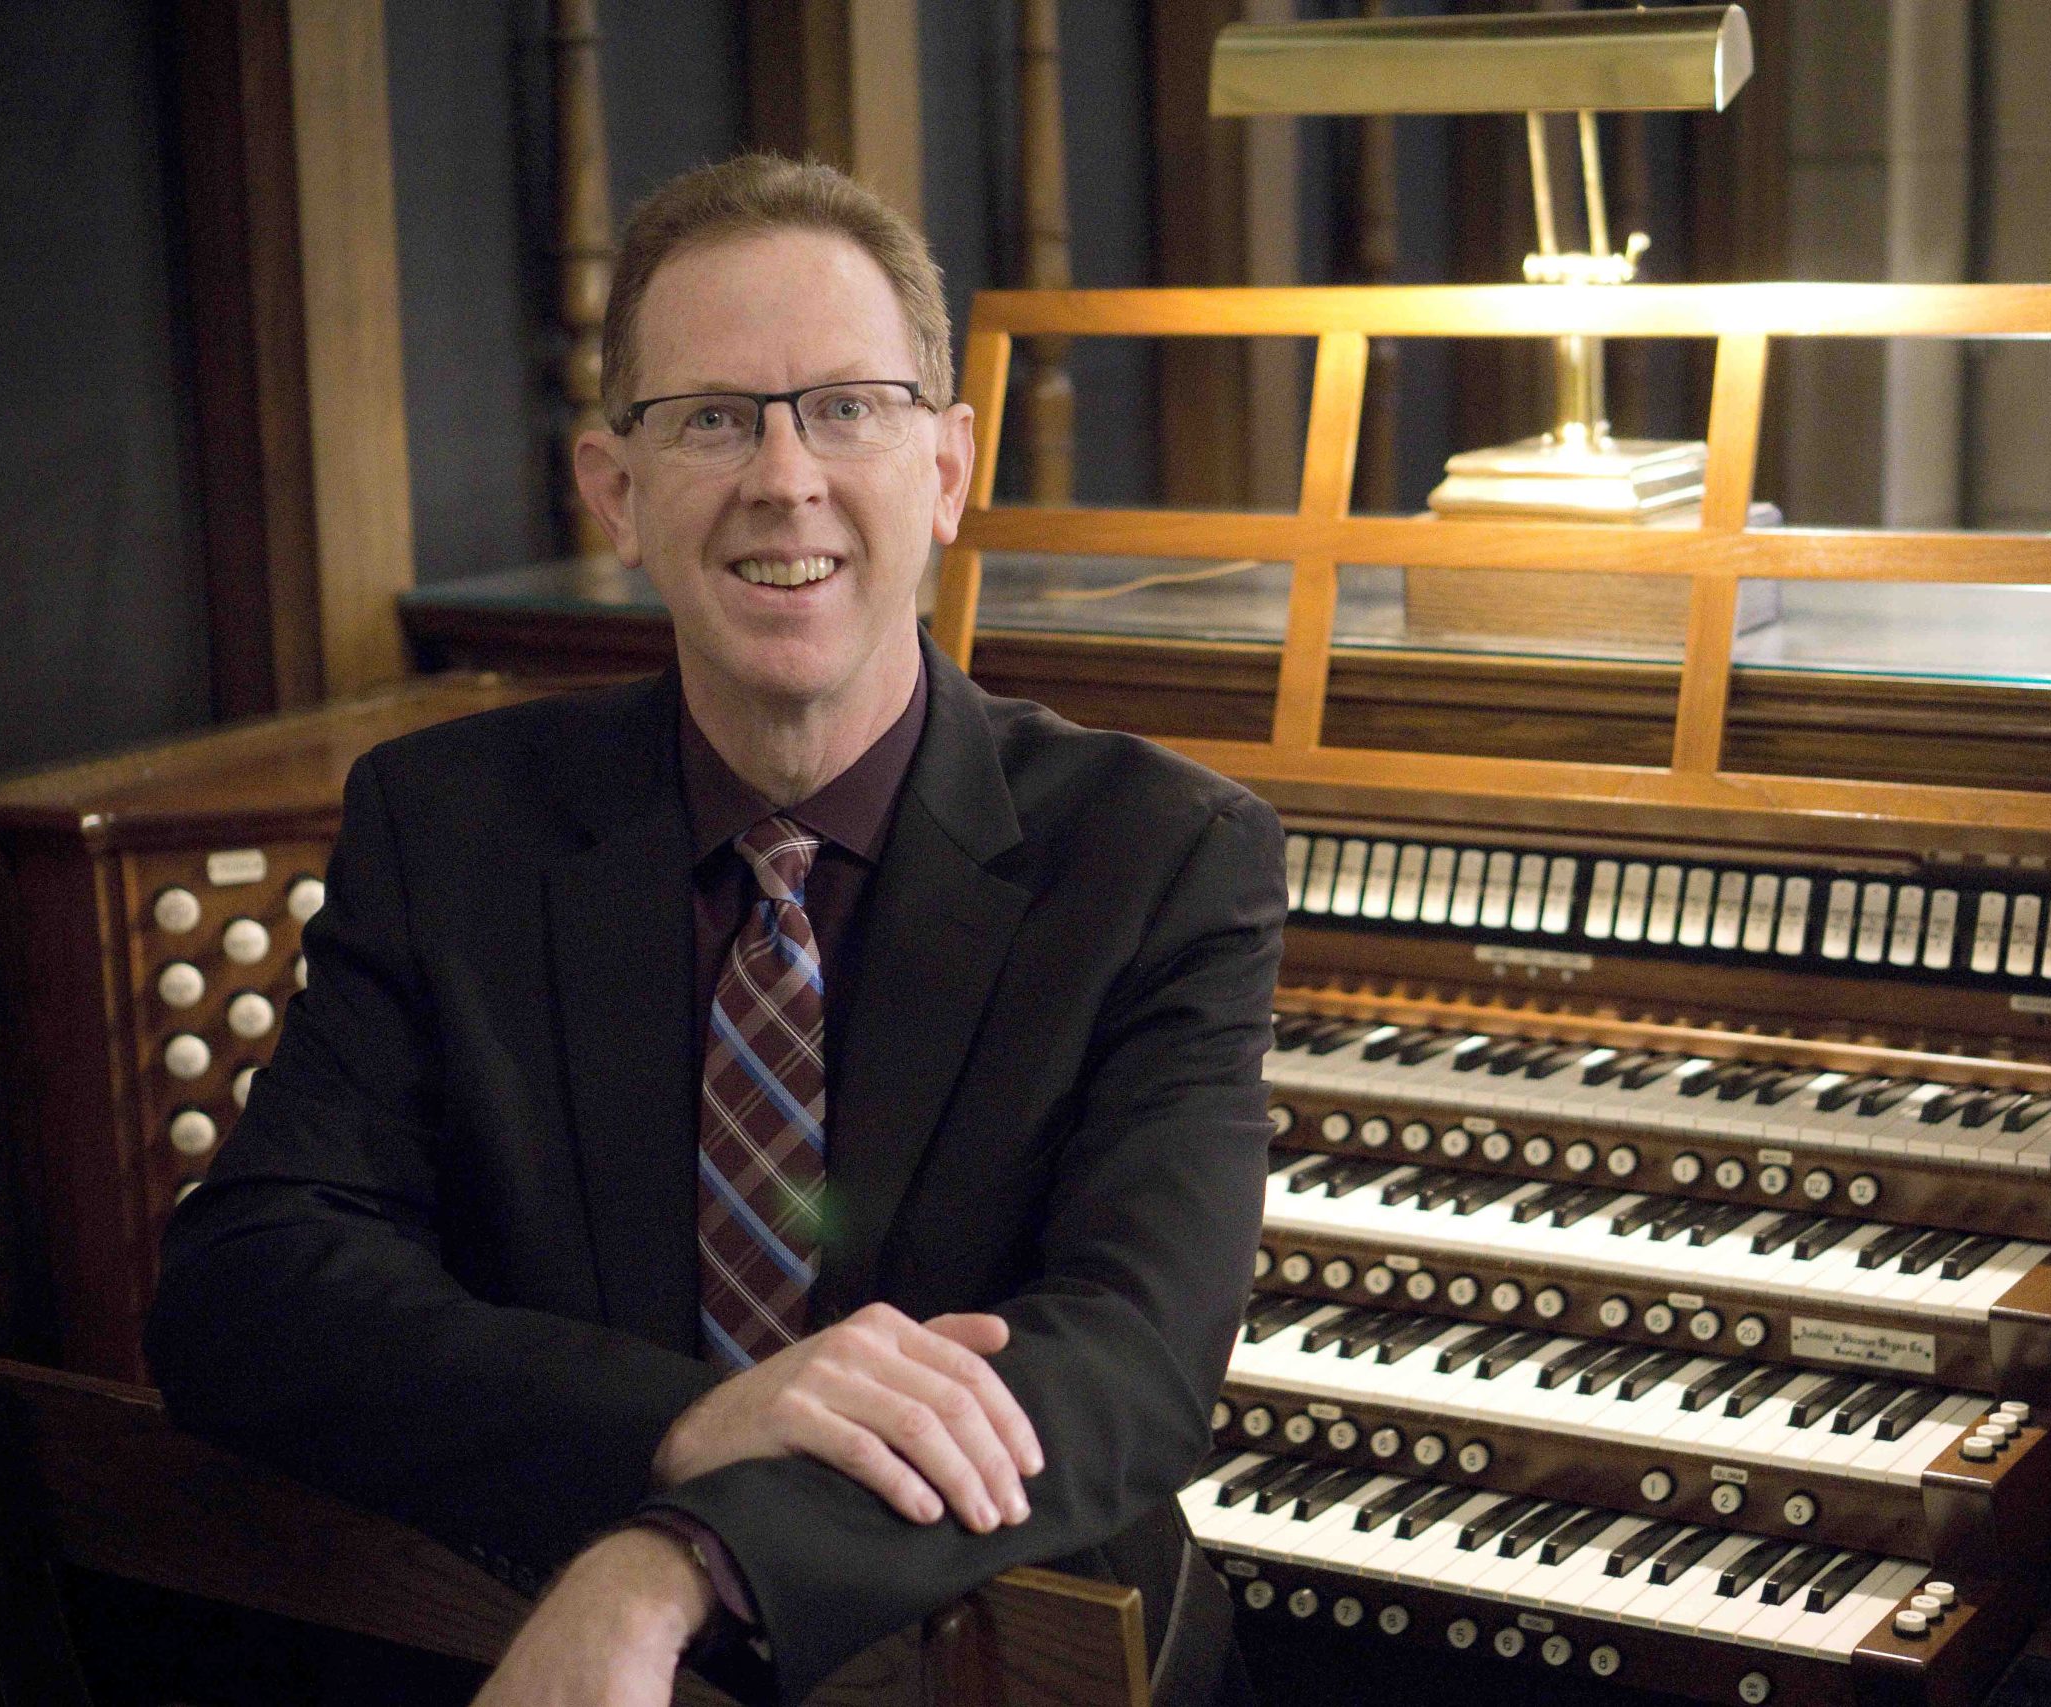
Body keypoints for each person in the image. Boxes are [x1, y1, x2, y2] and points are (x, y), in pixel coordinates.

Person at [145, 154, 1283, 1706]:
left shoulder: (1161, 857)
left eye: (846, 408)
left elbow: (1128, 1367)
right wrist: (678, 1429)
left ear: (947, 470)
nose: (784, 475)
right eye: (711, 418)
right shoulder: (447, 824)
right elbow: (244, 1290)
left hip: (991, 1647)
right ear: (616, 491)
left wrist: (683, 1553)